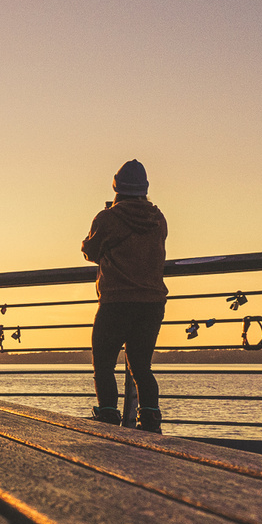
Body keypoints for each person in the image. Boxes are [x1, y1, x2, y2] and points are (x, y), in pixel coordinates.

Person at [81, 159, 167, 432]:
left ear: (116, 187)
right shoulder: (157, 218)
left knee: (104, 363)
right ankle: (150, 419)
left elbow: (90, 252)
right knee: (141, 367)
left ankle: (107, 416)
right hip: (151, 303)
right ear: (144, 189)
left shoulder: (108, 218)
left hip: (116, 301)